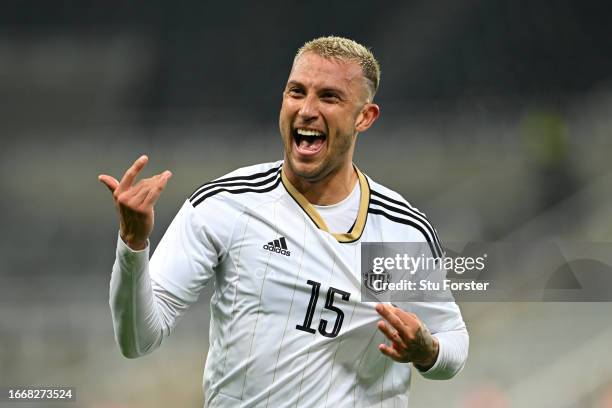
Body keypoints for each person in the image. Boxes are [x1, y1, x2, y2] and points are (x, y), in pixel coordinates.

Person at [99, 36, 468, 407]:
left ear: (364, 117)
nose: (307, 109)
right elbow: (136, 340)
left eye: (329, 96)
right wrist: (132, 244)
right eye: (296, 92)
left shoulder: (398, 230)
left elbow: (452, 338)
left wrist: (428, 352)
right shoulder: (227, 205)